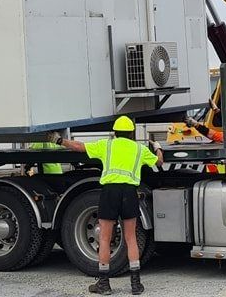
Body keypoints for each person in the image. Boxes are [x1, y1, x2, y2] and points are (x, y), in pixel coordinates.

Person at [53, 116, 163, 295]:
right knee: (131, 238)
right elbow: (159, 162)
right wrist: (158, 148)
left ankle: (103, 284)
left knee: (104, 238)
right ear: (131, 133)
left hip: (109, 192)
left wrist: (58, 140)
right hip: (129, 193)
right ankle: (136, 284)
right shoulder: (139, 149)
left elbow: (79, 147)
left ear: (115, 133)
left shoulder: (107, 145)